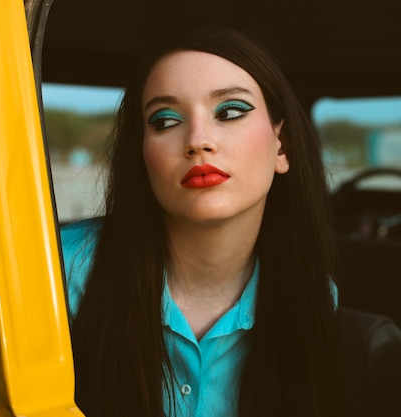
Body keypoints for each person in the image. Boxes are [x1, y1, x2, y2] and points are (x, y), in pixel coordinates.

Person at [61, 27, 344, 417]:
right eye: (164, 120)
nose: (197, 139)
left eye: (229, 112)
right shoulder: (63, 269)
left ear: (283, 146)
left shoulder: (310, 293)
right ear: (142, 158)